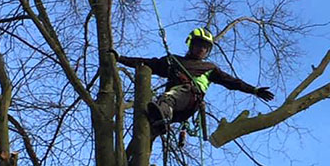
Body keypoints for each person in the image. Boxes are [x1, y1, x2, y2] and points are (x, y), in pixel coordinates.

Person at [109, 27, 274, 135]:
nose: (201, 49)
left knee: (168, 98)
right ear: (191, 44)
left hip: (188, 99)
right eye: (199, 45)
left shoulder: (210, 68)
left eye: (205, 47)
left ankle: (162, 115)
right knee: (149, 125)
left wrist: (254, 90)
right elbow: (148, 63)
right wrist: (121, 59)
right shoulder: (174, 61)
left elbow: (232, 82)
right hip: (172, 107)